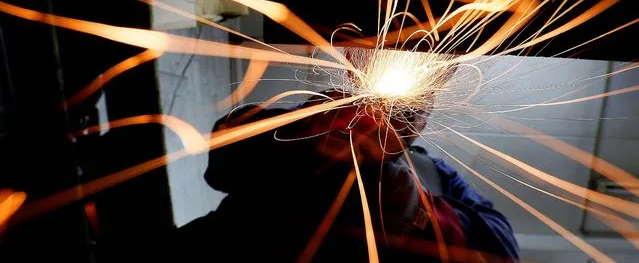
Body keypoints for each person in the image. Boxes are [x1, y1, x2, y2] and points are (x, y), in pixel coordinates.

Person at [159, 95, 520, 262]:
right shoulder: (322, 121)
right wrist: (306, 128)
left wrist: (415, 213)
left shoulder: (431, 175)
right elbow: (225, 160)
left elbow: (501, 249)